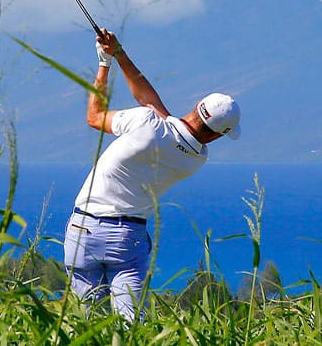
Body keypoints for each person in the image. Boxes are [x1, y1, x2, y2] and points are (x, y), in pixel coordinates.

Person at [63, 29, 241, 320]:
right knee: (130, 322)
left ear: (197, 106)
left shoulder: (146, 122)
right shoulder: (196, 158)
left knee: (87, 321)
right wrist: (119, 53)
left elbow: (95, 117)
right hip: (127, 238)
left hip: (83, 228)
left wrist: (106, 63)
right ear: (217, 136)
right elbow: (154, 106)